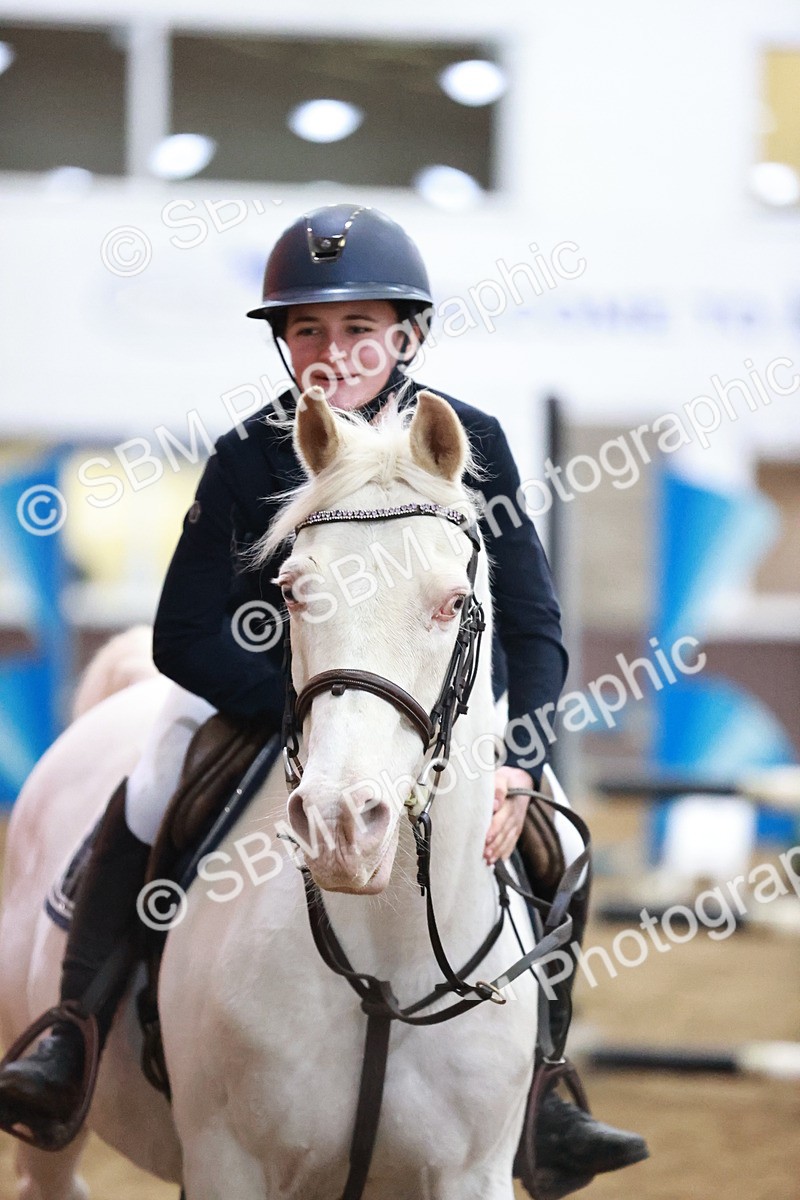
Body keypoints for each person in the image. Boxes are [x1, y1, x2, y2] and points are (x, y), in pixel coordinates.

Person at [0, 203, 647, 1196]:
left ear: (406, 335)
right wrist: (301, 703)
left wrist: (523, 755)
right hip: (267, 699)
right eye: (307, 329)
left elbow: (530, 621)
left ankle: (544, 1092)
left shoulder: (467, 442)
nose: (331, 351)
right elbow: (181, 635)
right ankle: (72, 1040)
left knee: (556, 837)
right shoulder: (247, 453)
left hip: (429, 712)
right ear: (283, 341)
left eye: (357, 329)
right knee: (146, 789)